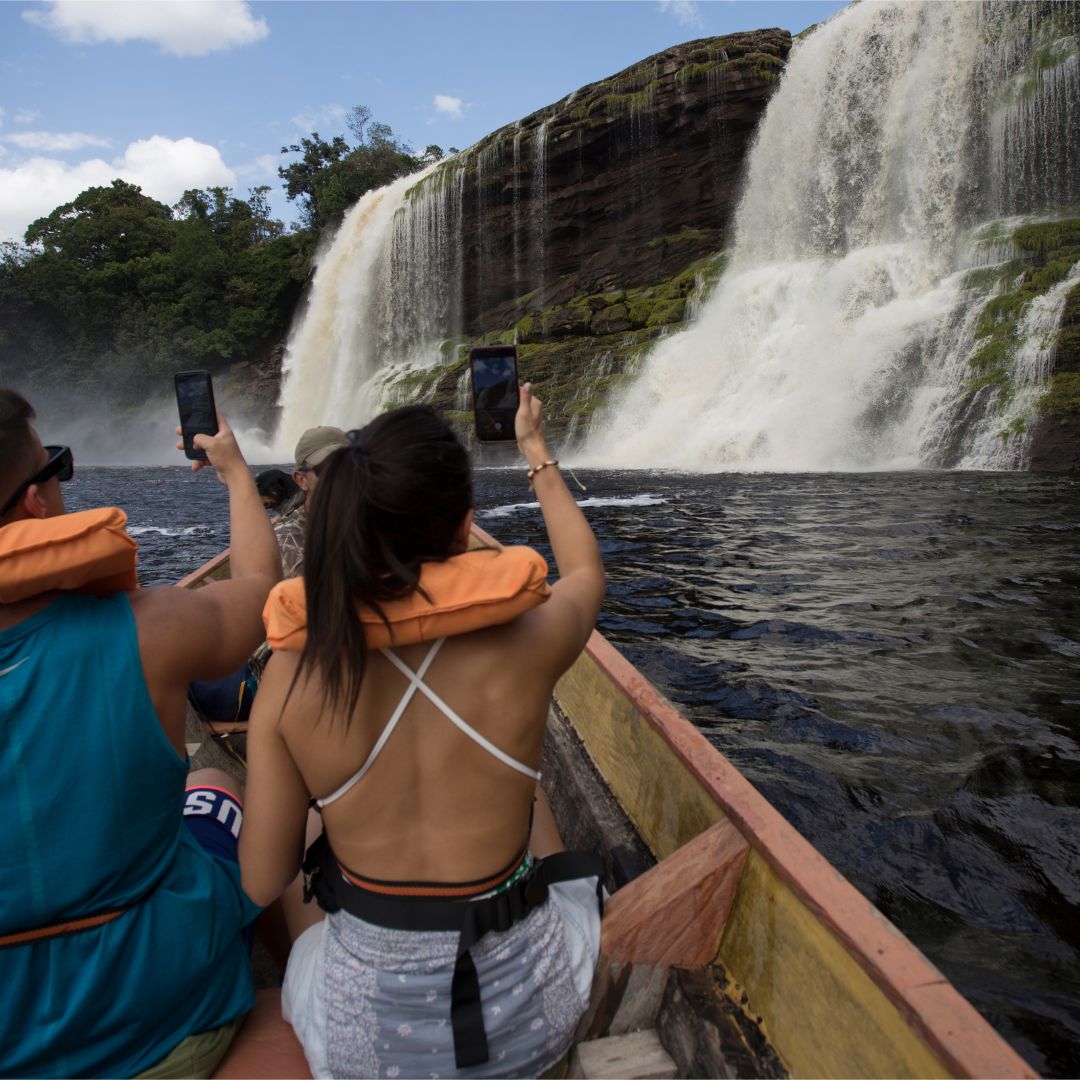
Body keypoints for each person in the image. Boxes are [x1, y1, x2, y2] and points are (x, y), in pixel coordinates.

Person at [239, 387, 606, 1078]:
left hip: (365, 1046)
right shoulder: (531, 640)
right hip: (529, 1022)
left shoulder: (289, 679)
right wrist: (536, 453)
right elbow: (586, 572)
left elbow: (262, 880)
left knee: (308, 853)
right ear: (465, 527)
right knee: (525, 788)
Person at [0, 386, 281, 1077]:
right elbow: (260, 587)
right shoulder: (145, 629)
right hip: (164, 1022)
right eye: (56, 467)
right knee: (217, 781)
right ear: (35, 504)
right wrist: (236, 471)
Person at [188, 426, 350, 745]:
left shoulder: (371, 525)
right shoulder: (284, 539)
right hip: (284, 678)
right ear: (301, 480)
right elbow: (256, 613)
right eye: (327, 472)